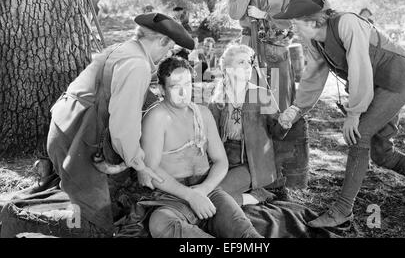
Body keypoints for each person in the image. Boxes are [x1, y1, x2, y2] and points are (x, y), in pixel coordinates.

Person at [275, 0, 405, 228]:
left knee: (360, 134)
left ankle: (342, 210)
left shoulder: (347, 23)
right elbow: (313, 75)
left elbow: (360, 67)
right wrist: (296, 109)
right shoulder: (314, 40)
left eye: (295, 22)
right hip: (376, 83)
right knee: (381, 153)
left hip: (397, 77)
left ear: (312, 21)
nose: (293, 28)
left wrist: (354, 113)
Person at [46, 13, 195, 235]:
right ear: (162, 41)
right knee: (93, 224)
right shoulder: (137, 65)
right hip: (76, 138)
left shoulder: (124, 49)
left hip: (64, 128)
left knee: (100, 206)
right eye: (169, 48)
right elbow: (123, 127)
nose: (167, 54)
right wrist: (139, 165)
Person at [141, 57, 263, 238]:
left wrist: (203, 191)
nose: (184, 92)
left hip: (208, 189)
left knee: (245, 233)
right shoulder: (157, 117)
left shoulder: (203, 113)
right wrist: (190, 196)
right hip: (172, 194)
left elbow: (221, 161)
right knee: (160, 223)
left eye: (188, 84)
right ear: (161, 89)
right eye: (175, 86)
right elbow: (151, 170)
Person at [208, 44, 299, 206]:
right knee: (205, 190)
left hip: (251, 163)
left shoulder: (262, 94)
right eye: (241, 62)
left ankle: (258, 197)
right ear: (228, 68)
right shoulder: (217, 98)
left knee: (216, 194)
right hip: (222, 160)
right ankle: (244, 198)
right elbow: (210, 134)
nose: (248, 66)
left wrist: (284, 123)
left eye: (249, 62)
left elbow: (277, 133)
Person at [228, 0, 295, 112]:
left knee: (278, 98)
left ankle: (281, 132)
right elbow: (235, 13)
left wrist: (263, 15)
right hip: (249, 42)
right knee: (252, 98)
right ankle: (254, 136)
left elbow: (289, 19)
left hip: (275, 45)